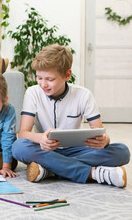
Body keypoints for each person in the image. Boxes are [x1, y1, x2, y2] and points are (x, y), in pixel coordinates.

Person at [11, 44, 130, 187]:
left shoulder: (83, 95)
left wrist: (104, 140)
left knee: (122, 152)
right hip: (45, 149)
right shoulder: (33, 93)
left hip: (75, 150)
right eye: (39, 77)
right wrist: (41, 138)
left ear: (67, 75)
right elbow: (23, 134)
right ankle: (93, 173)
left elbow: (100, 132)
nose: (43, 84)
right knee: (18, 147)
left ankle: (49, 170)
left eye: (50, 79)